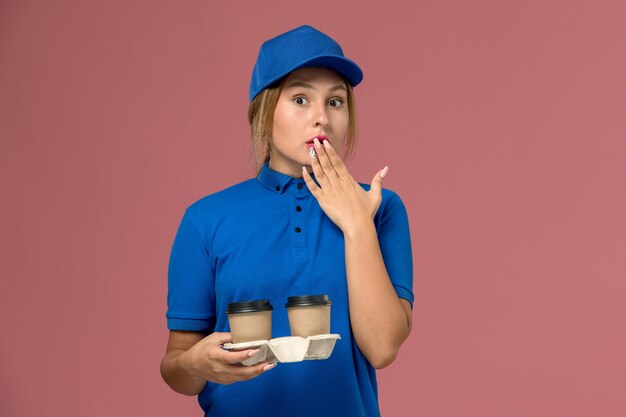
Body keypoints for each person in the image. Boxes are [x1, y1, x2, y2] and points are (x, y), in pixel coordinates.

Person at [160, 24, 414, 417]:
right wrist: (196, 364)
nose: (322, 119)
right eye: (300, 99)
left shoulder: (380, 207)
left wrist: (357, 224)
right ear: (265, 111)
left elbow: (382, 348)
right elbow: (176, 367)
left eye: (335, 102)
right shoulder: (205, 219)